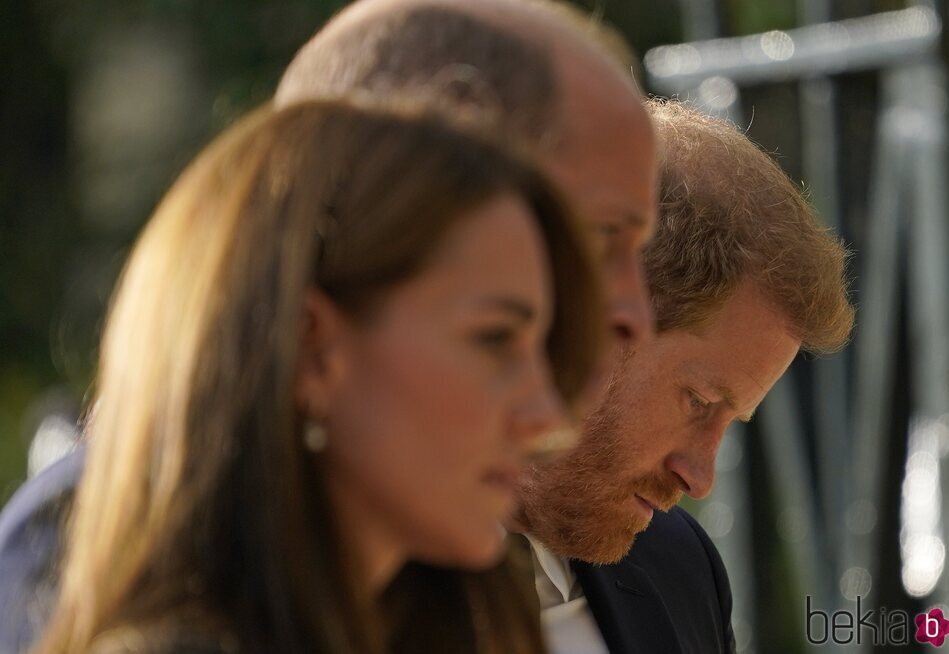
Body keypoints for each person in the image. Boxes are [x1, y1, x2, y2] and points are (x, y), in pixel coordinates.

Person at [0, 0, 660, 650]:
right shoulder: (80, 556)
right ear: (312, 342)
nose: (635, 309)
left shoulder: (445, 596)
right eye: (598, 235)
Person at [514, 99, 856, 653]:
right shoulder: (334, 563)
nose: (701, 478)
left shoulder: (680, 568)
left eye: (732, 421)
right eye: (698, 401)